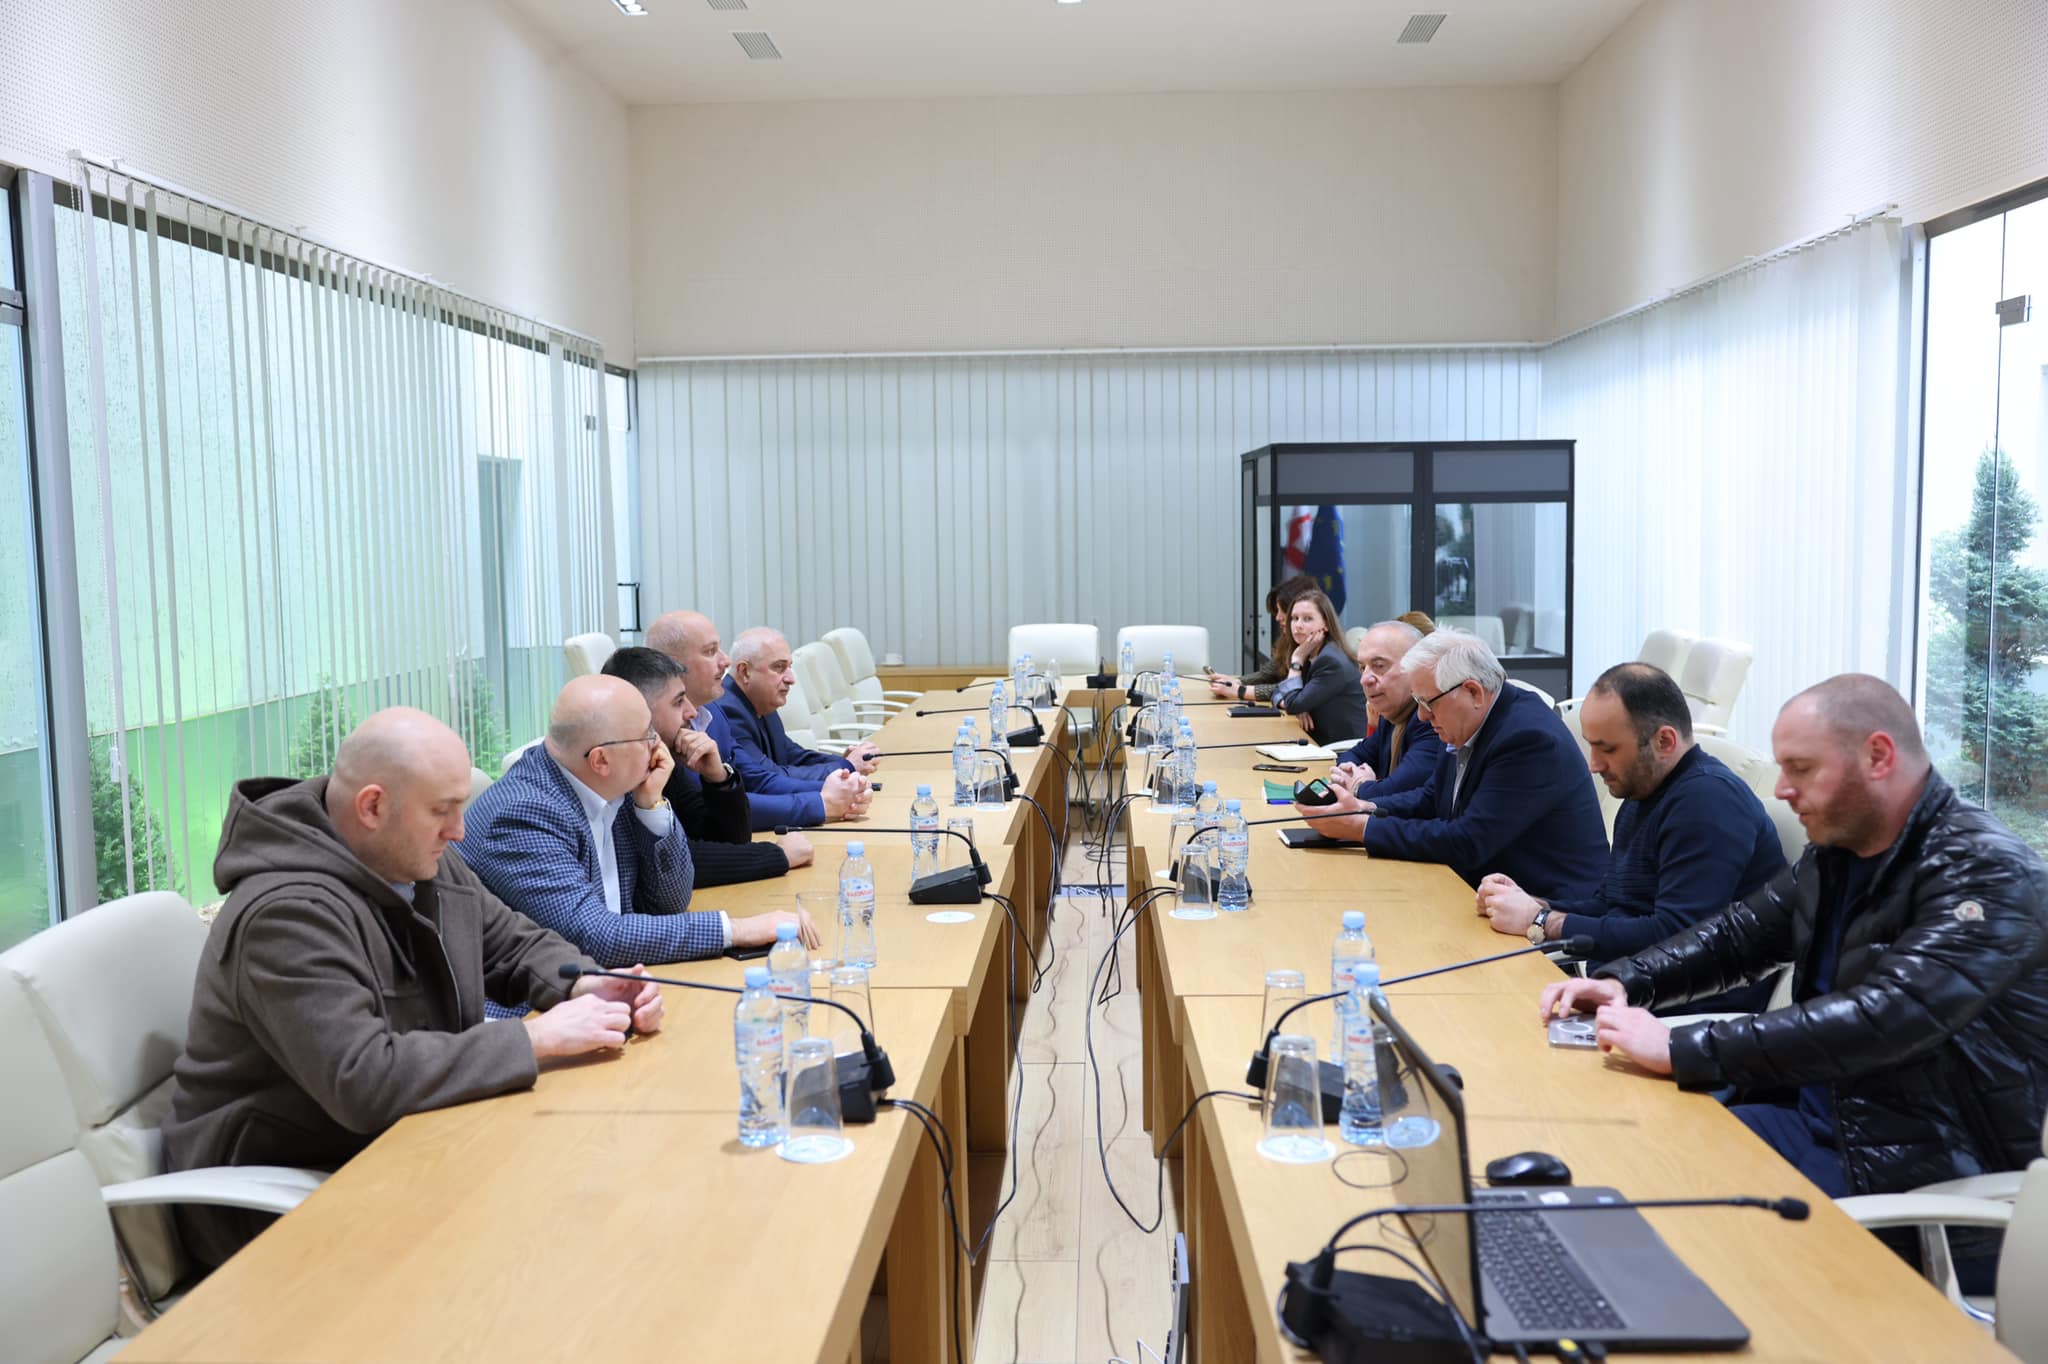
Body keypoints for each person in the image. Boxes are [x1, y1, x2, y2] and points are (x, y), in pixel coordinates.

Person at [161, 708, 666, 1268]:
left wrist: (585, 985)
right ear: (373, 807)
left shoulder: (413, 856)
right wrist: (536, 1039)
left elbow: (511, 941)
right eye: (442, 811)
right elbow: (363, 1079)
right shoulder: (285, 915)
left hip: (405, 1144)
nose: (459, 830)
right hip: (277, 1197)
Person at [1541, 675, 2048, 1218]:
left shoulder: (1986, 874)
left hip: (1916, 1165)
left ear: (1878, 757)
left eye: (1801, 769)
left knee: (1665, 1215)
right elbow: (1738, 936)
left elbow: (1881, 1017)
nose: (1781, 789)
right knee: (1612, 1157)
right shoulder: (1840, 850)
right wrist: (1625, 981)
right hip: (1817, 1120)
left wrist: (1683, 1048)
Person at [1479, 662, 1786, 1012]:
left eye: (1607, 749)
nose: (1594, 764)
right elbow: (1610, 904)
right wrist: (1534, 905)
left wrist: (1543, 923)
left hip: (1693, 1005)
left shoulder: (1707, 802)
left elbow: (1678, 937)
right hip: (1628, 983)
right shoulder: (1642, 790)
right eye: (1591, 747)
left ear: (1664, 741)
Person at [458, 674, 818, 967]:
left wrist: (652, 808)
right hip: (538, 1011)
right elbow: (594, 937)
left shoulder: (615, 783)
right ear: (601, 760)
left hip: (615, 980)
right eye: (647, 735)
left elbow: (671, 902)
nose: (658, 746)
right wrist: (736, 929)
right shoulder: (522, 815)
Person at [1300, 628, 1608, 901]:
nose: (1422, 716)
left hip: (1544, 906)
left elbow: (1467, 841)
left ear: (1473, 691)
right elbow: (1432, 799)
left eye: (1427, 703)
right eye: (1418, 702)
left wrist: (1361, 828)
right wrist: (1363, 807)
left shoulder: (1528, 739)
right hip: (1481, 889)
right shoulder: (1467, 720)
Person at [601, 645, 814, 889]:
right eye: (678, 702)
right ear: (639, 712)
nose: (692, 712)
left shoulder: (664, 758)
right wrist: (777, 856)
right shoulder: (616, 775)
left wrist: (718, 778)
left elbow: (728, 840)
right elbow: (679, 862)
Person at [648, 609, 870, 831]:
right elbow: (706, 809)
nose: (725, 661)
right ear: (672, 665)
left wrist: (838, 789)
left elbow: (756, 778)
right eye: (710, 651)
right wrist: (822, 802)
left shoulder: (713, 713)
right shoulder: (659, 729)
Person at [715, 627, 881, 826]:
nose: (791, 678)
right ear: (745, 671)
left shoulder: (760, 701)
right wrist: (845, 770)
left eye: (789, 667)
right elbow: (767, 778)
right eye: (779, 667)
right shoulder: (727, 710)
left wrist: (844, 765)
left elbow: (793, 755)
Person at [1327, 618, 1444, 804]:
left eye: (1379, 666)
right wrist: (1350, 773)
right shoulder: (1393, 713)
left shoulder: (1431, 719)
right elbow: (1355, 755)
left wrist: (1358, 786)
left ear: (1416, 667)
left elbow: (1395, 790)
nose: (1364, 679)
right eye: (1362, 667)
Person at [1272, 588, 1371, 742]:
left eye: (1307, 619)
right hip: (1317, 738)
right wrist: (1297, 705)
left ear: (1326, 624)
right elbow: (1279, 690)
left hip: (1341, 748)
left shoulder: (1330, 661)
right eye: (1294, 618)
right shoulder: (1311, 652)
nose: (1298, 625)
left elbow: (1293, 702)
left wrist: (1297, 660)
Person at [1209, 572, 1316, 703]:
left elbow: (1293, 690)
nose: (1277, 617)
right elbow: (1268, 673)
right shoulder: (1289, 640)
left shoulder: (1320, 652)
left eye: (1283, 610)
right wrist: (1235, 682)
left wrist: (1239, 690)